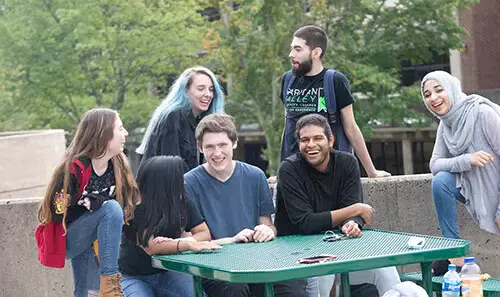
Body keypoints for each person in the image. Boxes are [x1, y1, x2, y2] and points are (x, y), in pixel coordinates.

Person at [275, 114, 400, 297]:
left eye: (318, 138)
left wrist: (353, 223)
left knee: (385, 270)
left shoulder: (347, 163)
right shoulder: (289, 169)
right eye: (305, 140)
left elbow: (353, 207)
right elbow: (306, 223)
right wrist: (355, 210)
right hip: (299, 256)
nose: (311, 145)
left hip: (340, 250)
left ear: (331, 140)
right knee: (323, 275)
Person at [185, 114, 308, 297]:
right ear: (200, 148)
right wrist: (232, 240)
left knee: (293, 287)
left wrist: (267, 231)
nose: (217, 153)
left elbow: (267, 224)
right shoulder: (188, 183)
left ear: (234, 143)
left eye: (222, 145)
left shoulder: (255, 175)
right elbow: (188, 241)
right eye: (210, 147)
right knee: (235, 288)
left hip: (257, 261)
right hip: (215, 265)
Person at [35, 108, 141, 297]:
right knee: (110, 208)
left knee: (87, 292)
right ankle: (110, 285)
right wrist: (86, 202)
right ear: (103, 135)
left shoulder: (117, 166)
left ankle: (104, 288)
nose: (125, 133)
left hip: (97, 238)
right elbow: (57, 212)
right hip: (69, 236)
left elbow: (124, 207)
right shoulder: (74, 169)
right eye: (121, 128)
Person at [280, 25, 389, 178]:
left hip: (330, 173)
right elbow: (288, 127)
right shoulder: (288, 80)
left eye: (298, 49)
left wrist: (371, 171)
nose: (291, 54)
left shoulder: (335, 81)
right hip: (295, 173)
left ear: (316, 52)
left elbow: (350, 127)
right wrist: (281, 171)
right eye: (292, 49)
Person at [421, 71, 500, 274]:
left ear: (452, 89)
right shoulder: (446, 123)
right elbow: (435, 165)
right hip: (473, 186)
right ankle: (454, 253)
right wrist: (467, 160)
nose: (433, 98)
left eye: (439, 90)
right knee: (441, 181)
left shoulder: (482, 113)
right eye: (427, 94)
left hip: (496, 190)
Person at [119, 155, 221, 296]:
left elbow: (204, 233)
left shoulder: (182, 201)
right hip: (133, 275)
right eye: (179, 179)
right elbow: (151, 247)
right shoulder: (135, 206)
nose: (184, 182)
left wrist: (179, 242)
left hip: (170, 271)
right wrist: (188, 245)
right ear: (165, 183)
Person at [136, 66, 225, 172]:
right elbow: (172, 167)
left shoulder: (197, 121)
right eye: (201, 89)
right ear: (185, 91)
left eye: (211, 89)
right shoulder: (173, 117)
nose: (208, 94)